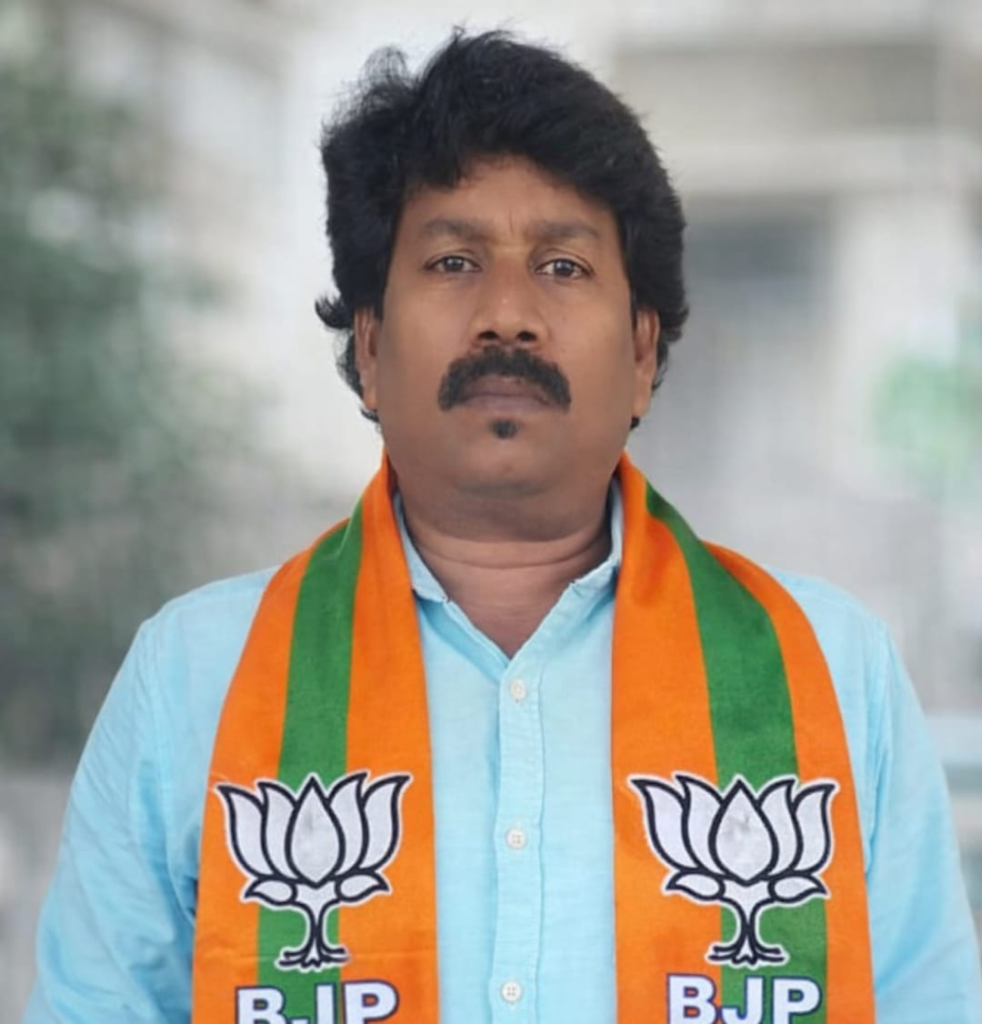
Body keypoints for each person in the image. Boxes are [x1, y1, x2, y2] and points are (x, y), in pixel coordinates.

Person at [24, 29, 982, 1024]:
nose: (508, 315)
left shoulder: (830, 670)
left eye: (563, 265)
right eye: (453, 261)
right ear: (370, 345)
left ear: (642, 351)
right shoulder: (195, 676)